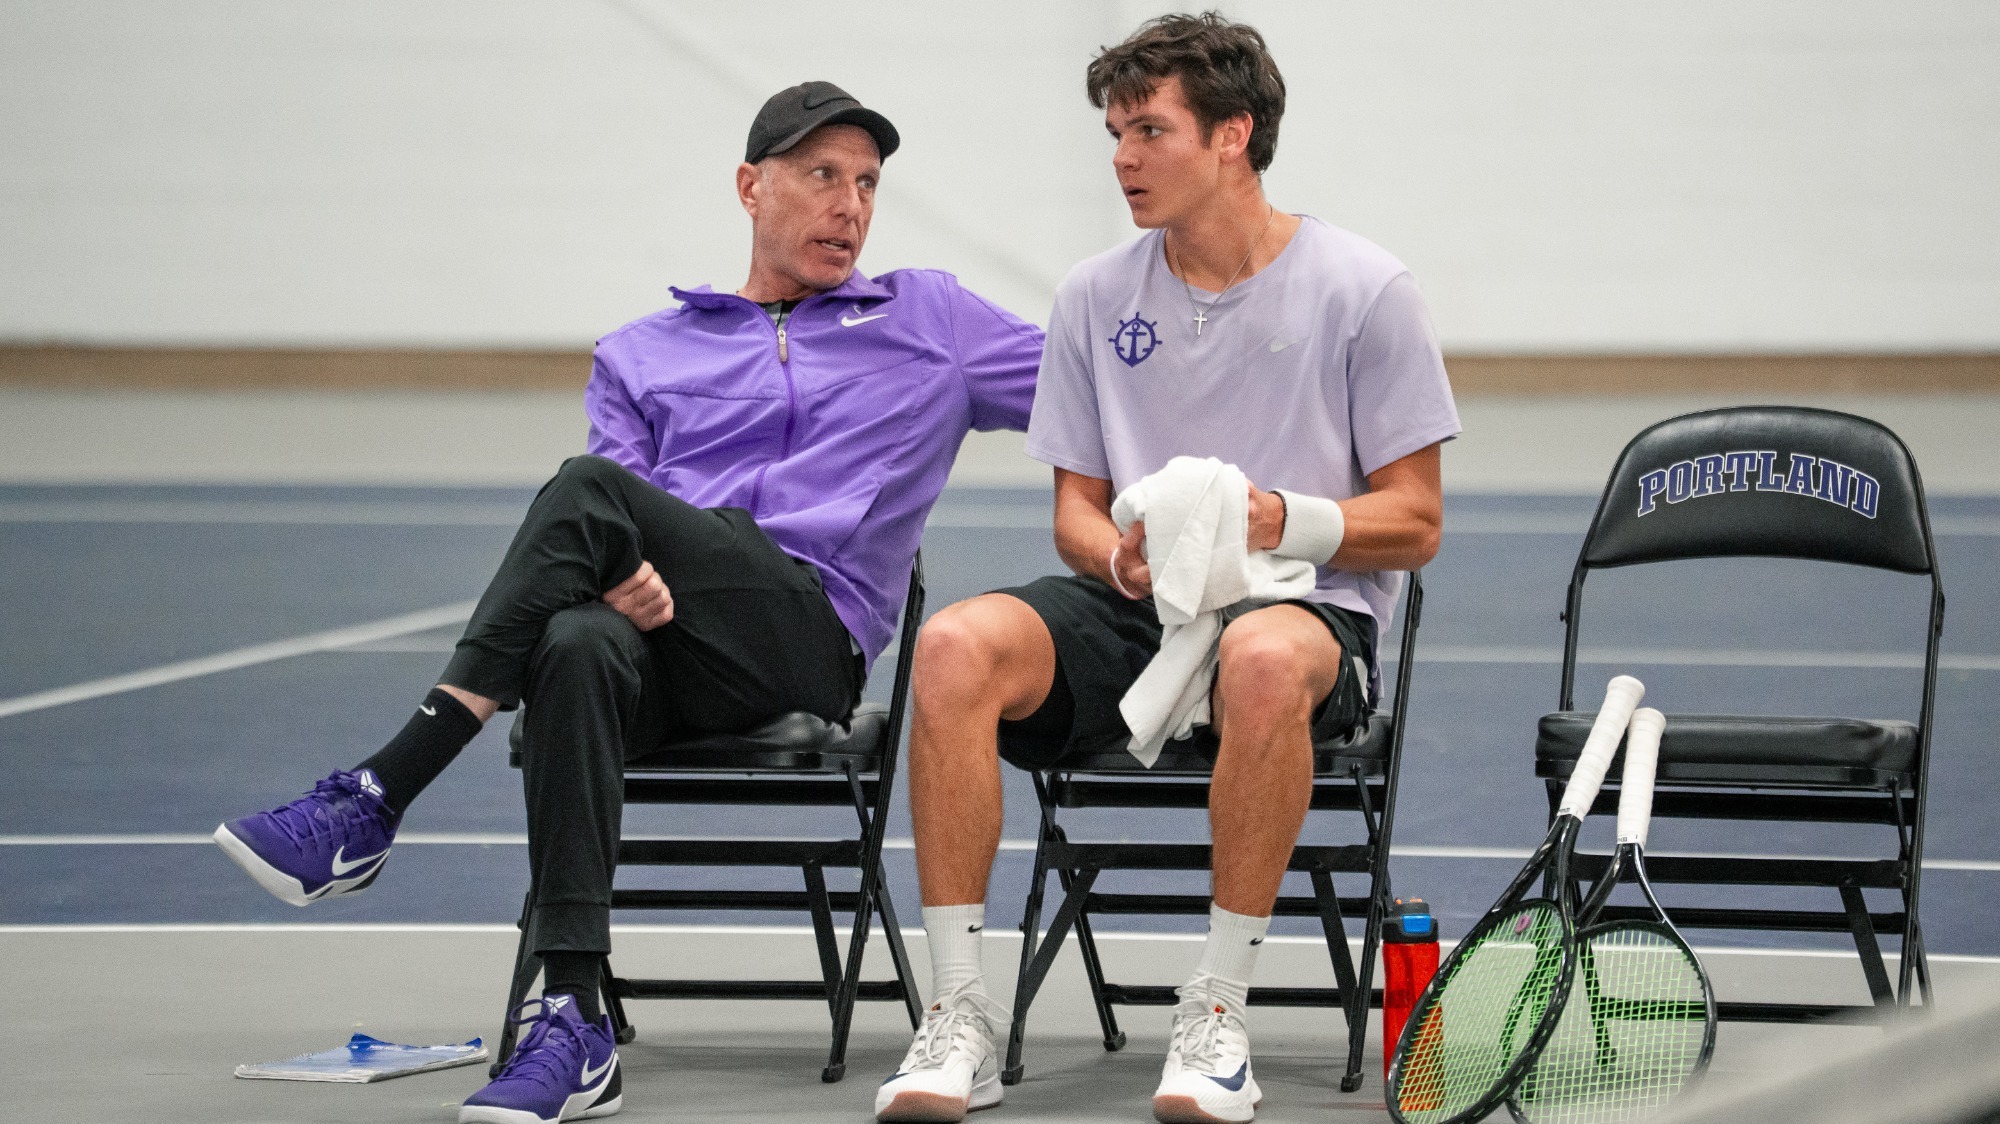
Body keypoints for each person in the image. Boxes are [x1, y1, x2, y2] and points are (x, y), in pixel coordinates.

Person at [211, 81, 1042, 1124]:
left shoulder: (929, 319)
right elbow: (601, 555)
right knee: (571, 639)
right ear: (751, 187)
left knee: (585, 490)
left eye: (866, 183)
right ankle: (572, 1014)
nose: (849, 205)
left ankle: (382, 788)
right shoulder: (643, 351)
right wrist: (622, 579)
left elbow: (1093, 389)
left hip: (803, 640)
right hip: (662, 651)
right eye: (821, 176)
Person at [876, 15, 1460, 1124]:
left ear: (1232, 134)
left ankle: (1216, 1015)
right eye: (1114, 131)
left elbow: (1415, 519)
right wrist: (1118, 558)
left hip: (1299, 611)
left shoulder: (1363, 288)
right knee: (953, 644)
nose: (1122, 158)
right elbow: (1073, 510)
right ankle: (958, 1013)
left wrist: (1278, 517)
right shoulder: (1094, 296)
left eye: (1150, 130)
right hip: (1133, 608)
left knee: (1254, 656)